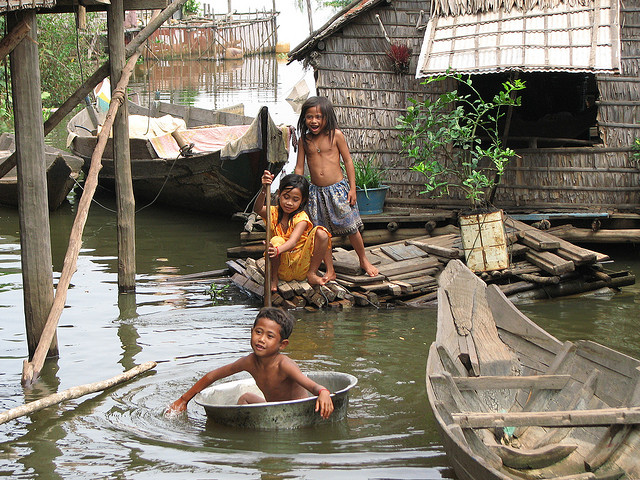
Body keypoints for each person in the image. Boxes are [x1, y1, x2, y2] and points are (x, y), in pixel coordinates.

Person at [167, 307, 334, 418]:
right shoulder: (249, 362)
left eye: (270, 336)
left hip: (297, 412)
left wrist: (324, 392)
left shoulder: (284, 365)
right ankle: (244, 425)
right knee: (245, 397)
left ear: (282, 344)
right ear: (251, 332)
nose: (261, 339)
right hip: (271, 408)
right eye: (258, 332)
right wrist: (183, 400)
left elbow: (312, 386)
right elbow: (213, 376)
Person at [294, 96, 379, 277]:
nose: (314, 121)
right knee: (322, 231)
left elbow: (348, 161)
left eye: (318, 117)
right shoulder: (304, 140)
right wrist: (297, 190)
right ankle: (330, 270)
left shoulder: (336, 135)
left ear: (327, 118)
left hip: (338, 190)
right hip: (316, 193)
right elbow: (300, 166)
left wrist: (353, 188)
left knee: (351, 227)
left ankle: (363, 259)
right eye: (309, 117)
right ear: (304, 119)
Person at [254, 171, 335, 291]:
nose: (289, 203)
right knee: (276, 240)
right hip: (281, 268)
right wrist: (264, 189)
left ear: (302, 201)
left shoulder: (301, 218)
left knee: (322, 233)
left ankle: (312, 274)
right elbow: (258, 208)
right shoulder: (273, 212)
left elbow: (292, 242)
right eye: (286, 197)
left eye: (295, 199)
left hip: (300, 266)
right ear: (278, 194)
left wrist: (277, 250)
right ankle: (274, 278)